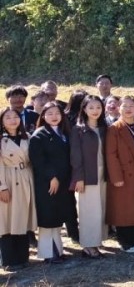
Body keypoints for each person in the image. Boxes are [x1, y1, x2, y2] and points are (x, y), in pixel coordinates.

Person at [29, 101, 74, 263]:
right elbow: (38, 160)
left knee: (57, 218)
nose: (54, 117)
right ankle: (48, 254)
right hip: (47, 183)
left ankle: (58, 251)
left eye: (57, 113)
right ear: (43, 116)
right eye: (49, 113)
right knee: (48, 219)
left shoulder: (64, 133)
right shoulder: (39, 135)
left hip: (63, 182)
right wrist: (52, 177)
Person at [106, 96, 134, 253]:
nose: (128, 109)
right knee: (124, 208)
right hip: (124, 174)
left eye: (131, 106)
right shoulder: (114, 129)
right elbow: (111, 155)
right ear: (119, 108)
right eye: (124, 106)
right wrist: (116, 177)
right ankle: (127, 241)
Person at [70, 95, 108, 258]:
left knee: (102, 208)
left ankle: (97, 239)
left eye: (98, 107)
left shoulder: (105, 127)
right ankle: (88, 244)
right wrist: (78, 177)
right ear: (84, 109)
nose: (95, 111)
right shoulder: (78, 129)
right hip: (87, 174)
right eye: (91, 107)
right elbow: (75, 156)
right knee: (89, 210)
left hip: (104, 173)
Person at [0, 107, 35, 270]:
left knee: (23, 217)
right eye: (8, 117)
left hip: (25, 177)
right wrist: (2, 187)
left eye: (15, 117)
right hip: (8, 178)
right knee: (7, 220)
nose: (12, 120)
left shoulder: (27, 137)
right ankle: (8, 259)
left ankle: (23, 257)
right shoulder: (1, 140)